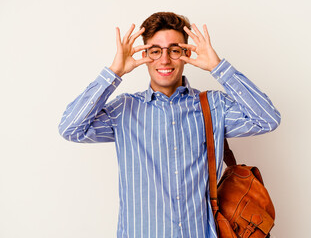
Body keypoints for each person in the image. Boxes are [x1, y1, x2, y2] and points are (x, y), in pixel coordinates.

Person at [58, 12, 281, 238]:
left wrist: (218, 67)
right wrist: (114, 73)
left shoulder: (214, 106)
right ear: (144, 54)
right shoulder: (123, 110)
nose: (164, 60)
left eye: (174, 50)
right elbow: (71, 129)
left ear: (186, 53)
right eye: (155, 51)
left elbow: (267, 119)